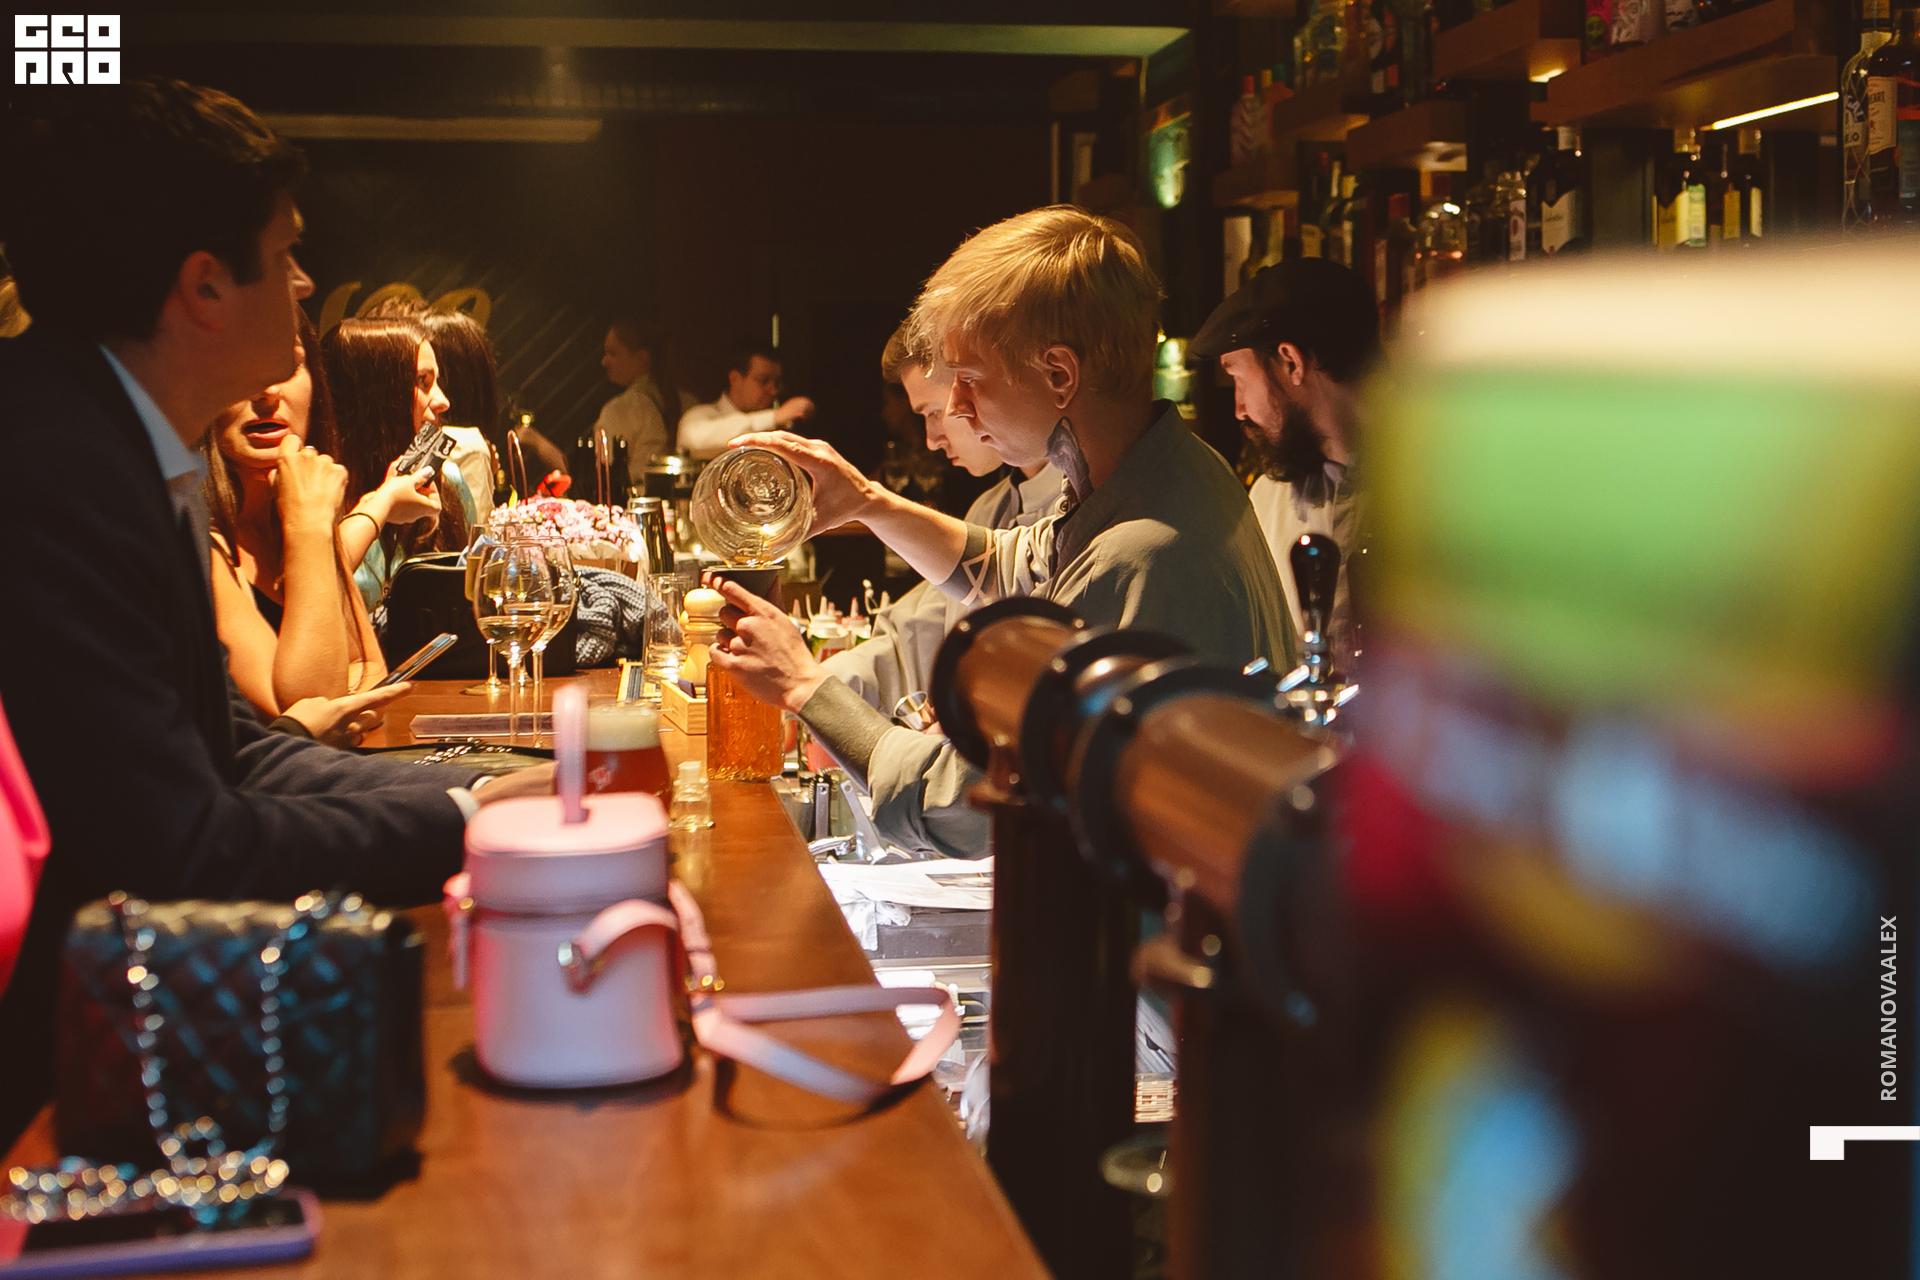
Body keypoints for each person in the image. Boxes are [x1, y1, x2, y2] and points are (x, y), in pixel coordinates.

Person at [0, 77, 550, 1147]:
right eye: (288, 253)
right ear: (206, 285)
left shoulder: (111, 434)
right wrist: (477, 821)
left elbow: (236, 748)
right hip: (50, 1094)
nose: (304, 285)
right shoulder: (55, 468)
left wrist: (488, 791)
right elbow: (184, 847)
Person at [708, 207, 1294, 858]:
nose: (956, 408)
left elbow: (968, 798)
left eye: (970, 380)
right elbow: (1012, 566)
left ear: (1059, 375)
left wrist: (804, 686)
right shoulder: (1157, 472)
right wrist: (868, 503)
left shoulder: (1142, 552)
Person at [823, 323, 1060, 715]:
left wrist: (868, 503)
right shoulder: (989, 507)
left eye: (935, 412)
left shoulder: (1094, 512)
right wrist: (803, 685)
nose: (931, 440)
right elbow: (913, 632)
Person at [203, 308, 390, 728]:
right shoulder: (197, 533)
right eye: (240, 362)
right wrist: (308, 526)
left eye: (287, 364)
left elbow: (371, 673)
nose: (268, 391)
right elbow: (303, 714)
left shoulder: (298, 502)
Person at [1191, 258, 1376, 673]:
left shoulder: (1447, 488)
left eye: (1239, 379)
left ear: (1291, 362)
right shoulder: (1267, 497)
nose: (1239, 409)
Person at [323, 316, 467, 609]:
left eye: (436, 381)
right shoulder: (317, 495)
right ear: (374, 394)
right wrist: (383, 504)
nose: (443, 401)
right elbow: (314, 589)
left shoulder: (448, 480)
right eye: (422, 381)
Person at [676, 336, 815, 459]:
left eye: (776, 382)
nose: (773, 390)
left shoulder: (779, 428)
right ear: (735, 378)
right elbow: (693, 439)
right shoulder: (700, 416)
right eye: (763, 380)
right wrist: (774, 417)